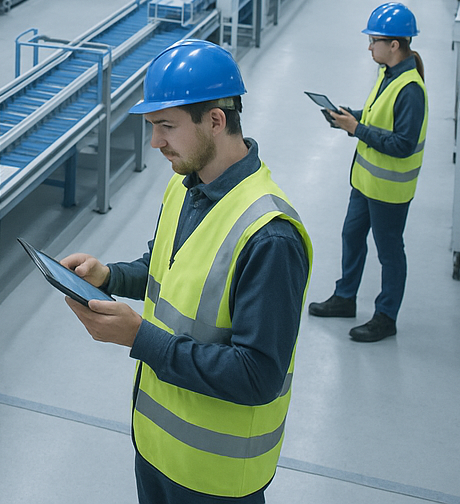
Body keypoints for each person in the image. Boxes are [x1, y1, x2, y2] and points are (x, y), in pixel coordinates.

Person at [62, 40, 312, 503]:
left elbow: (258, 375)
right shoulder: (186, 188)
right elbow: (164, 270)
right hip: (157, 448)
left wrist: (140, 338)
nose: (155, 142)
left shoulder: (270, 237)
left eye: (166, 127)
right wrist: (109, 276)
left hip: (215, 478)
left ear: (215, 121)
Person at [308, 2, 428, 343]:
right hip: (364, 182)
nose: (369, 46)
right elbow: (377, 116)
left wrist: (356, 128)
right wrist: (349, 116)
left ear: (394, 45)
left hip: (389, 190)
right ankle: (345, 297)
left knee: (389, 253)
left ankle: (386, 316)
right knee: (351, 236)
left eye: (374, 40)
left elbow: (402, 144)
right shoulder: (387, 75)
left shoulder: (410, 89)